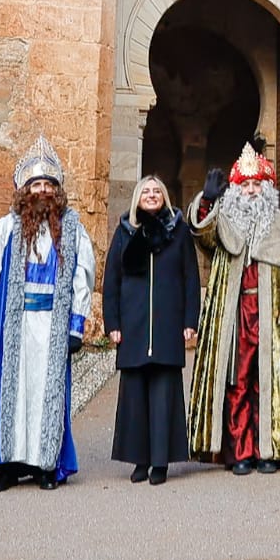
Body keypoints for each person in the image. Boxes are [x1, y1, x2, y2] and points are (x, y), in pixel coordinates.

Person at [0, 134, 95, 491]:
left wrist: (76, 326)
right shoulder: (6, 228)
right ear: (24, 189)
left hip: (52, 324)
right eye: (36, 183)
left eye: (48, 184)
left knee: (46, 393)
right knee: (14, 393)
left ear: (57, 190)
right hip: (13, 325)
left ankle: (45, 465)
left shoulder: (72, 231)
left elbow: (81, 279)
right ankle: (8, 466)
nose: (42, 190)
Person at [186, 142, 280, 473]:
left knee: (268, 382)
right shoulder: (224, 220)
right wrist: (208, 202)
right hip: (234, 313)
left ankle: (268, 451)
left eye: (258, 185)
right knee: (236, 380)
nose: (252, 191)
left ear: (268, 188)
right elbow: (203, 235)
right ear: (237, 190)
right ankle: (240, 451)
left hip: (270, 315)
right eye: (246, 185)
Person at [103, 174, 201, 486]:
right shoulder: (124, 232)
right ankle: (140, 460)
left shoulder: (179, 232)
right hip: (133, 324)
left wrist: (190, 320)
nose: (151, 194)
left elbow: (190, 277)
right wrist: (113, 323)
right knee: (134, 397)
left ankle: (160, 461)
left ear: (164, 197)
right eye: (145, 191)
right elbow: (112, 280)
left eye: (157, 190)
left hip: (168, 322)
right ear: (137, 198)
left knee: (163, 394)